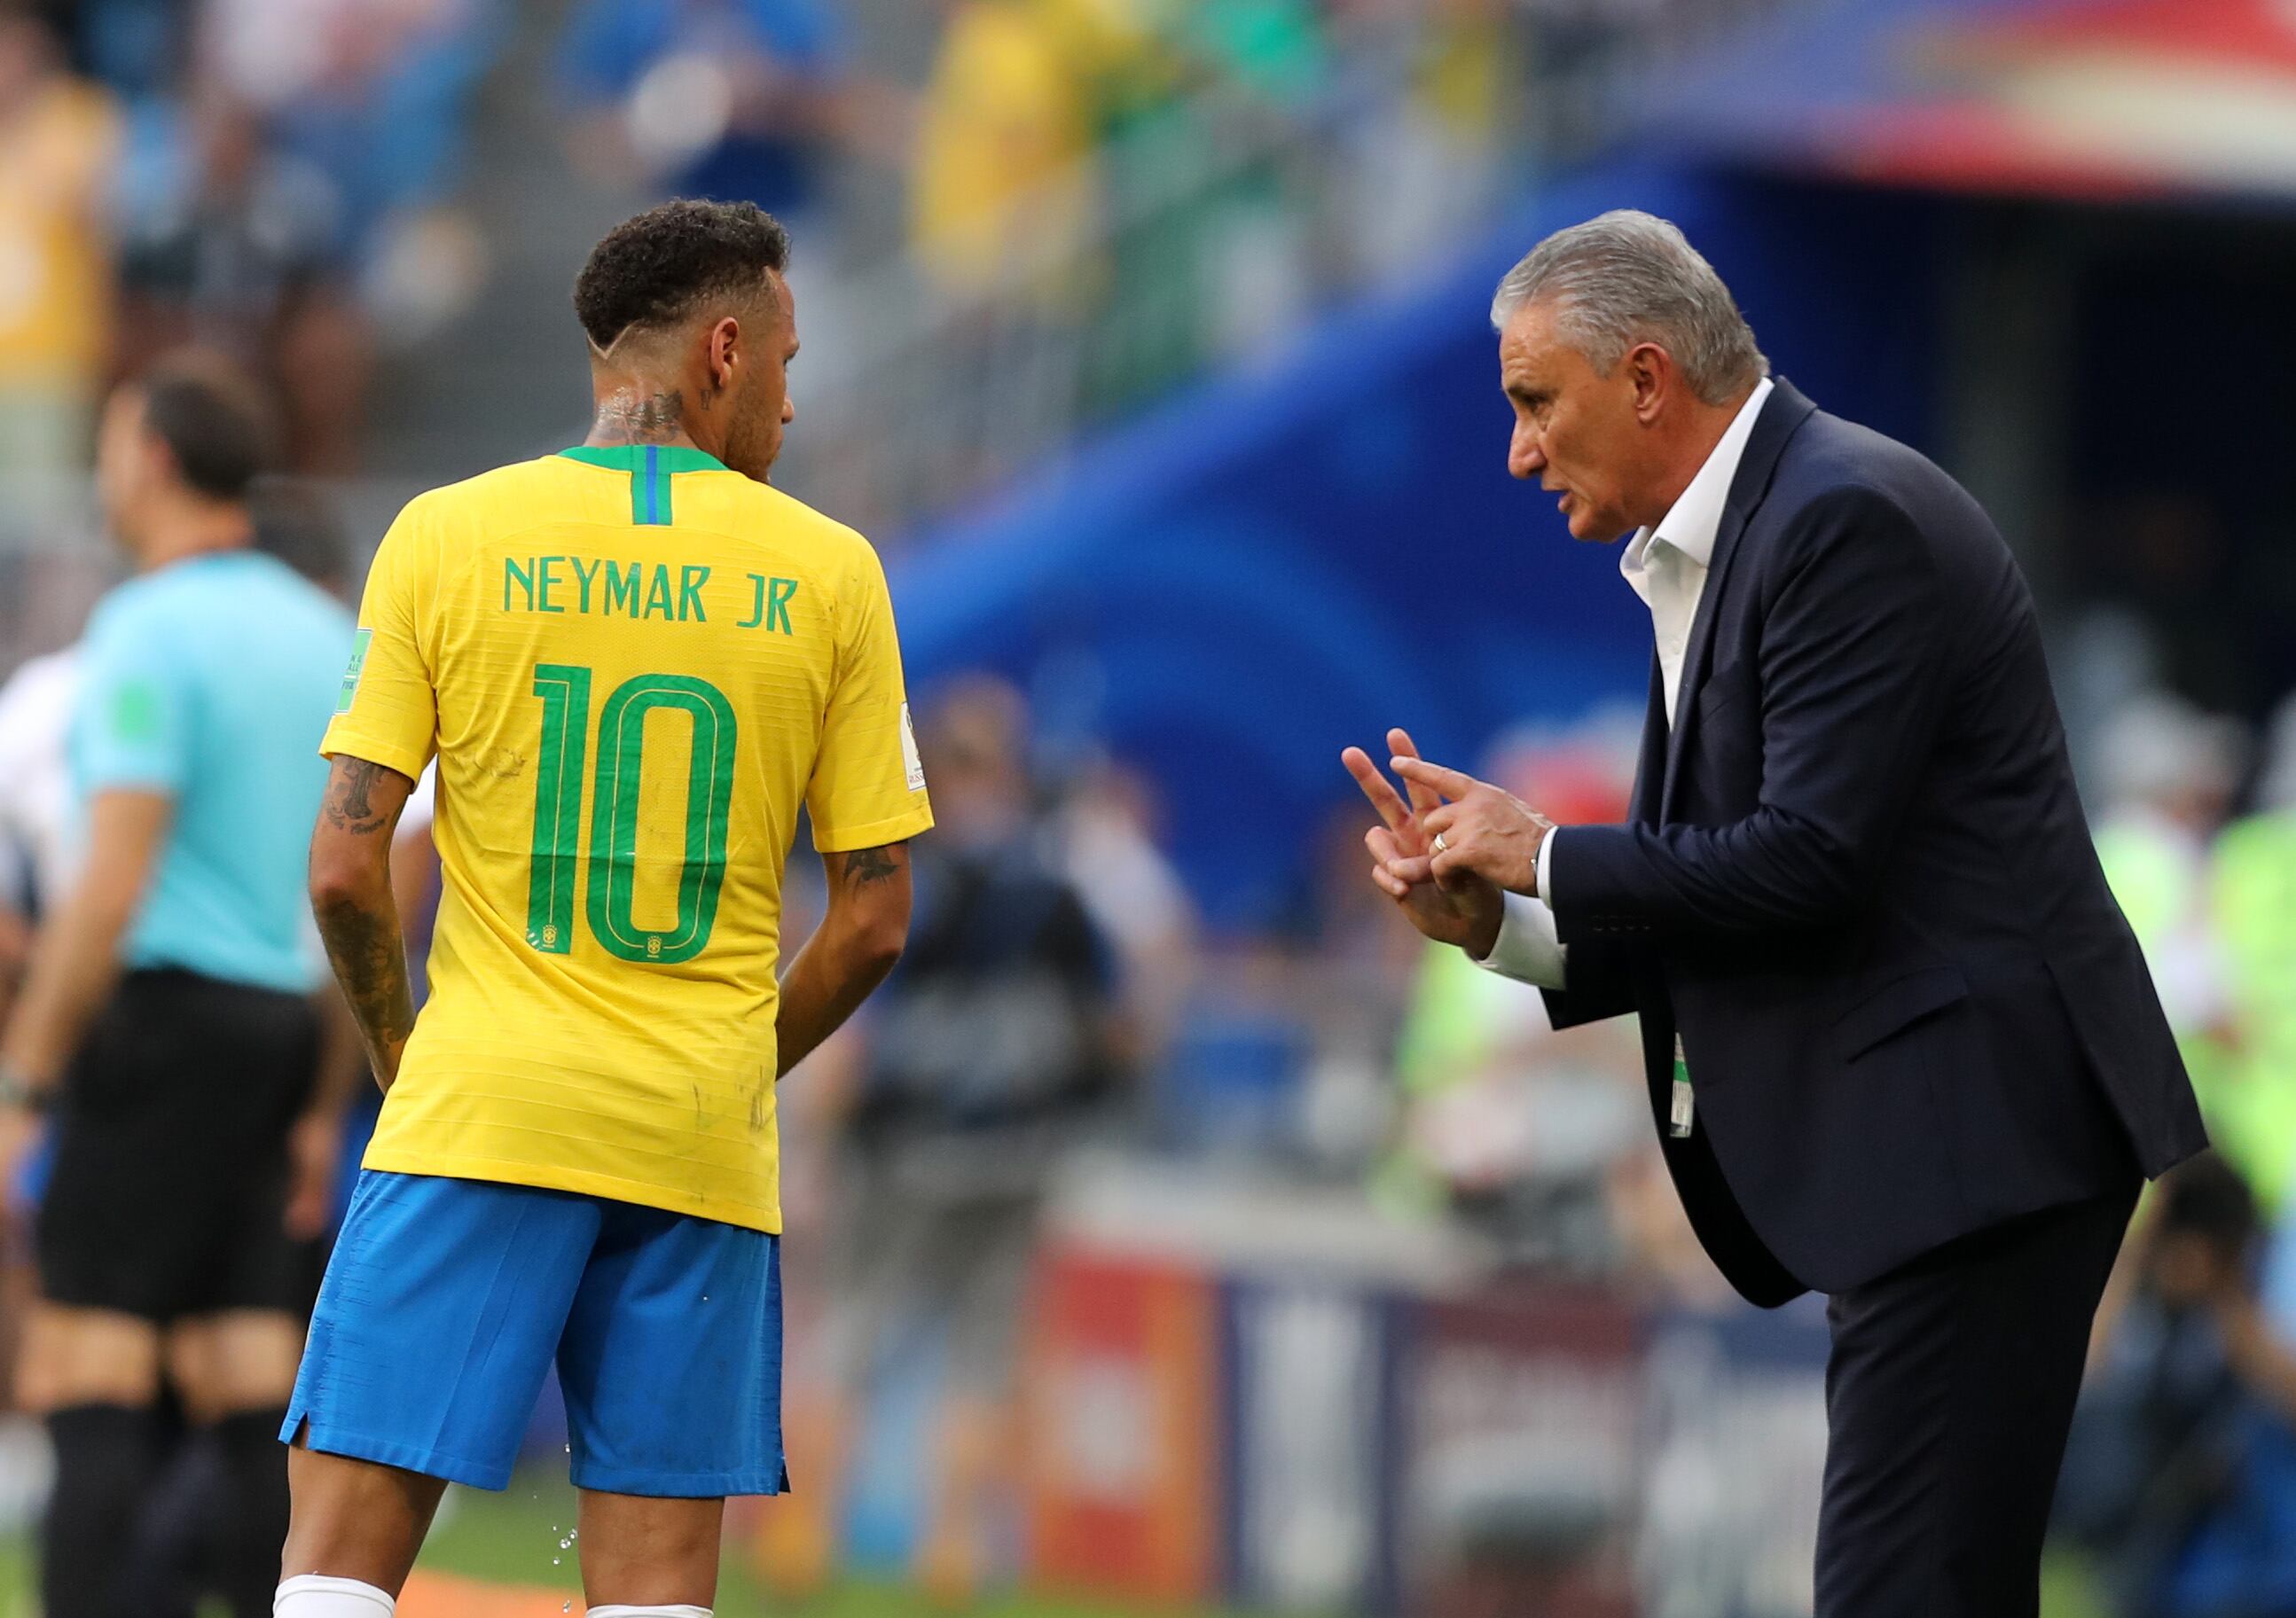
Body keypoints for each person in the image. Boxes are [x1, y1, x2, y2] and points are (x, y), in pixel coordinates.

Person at [1342, 209, 2206, 1617]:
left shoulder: (1836, 516)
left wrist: (1547, 849)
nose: (1515, 450)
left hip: (1976, 1150)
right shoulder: (1748, 531)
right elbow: (1735, 883)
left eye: (1530, 401)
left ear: (1641, 379)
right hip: (1943, 1159)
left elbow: (1807, 863)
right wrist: (1498, 921)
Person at [277, 198, 933, 1616]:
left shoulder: (445, 535)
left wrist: (404, 1052)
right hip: (694, 1138)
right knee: (651, 1596)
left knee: (335, 1565)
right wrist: (728, 1065)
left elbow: (344, 864)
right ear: (719, 350)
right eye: (784, 361)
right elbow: (876, 916)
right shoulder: (832, 573)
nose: (792, 399)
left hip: (483, 1105)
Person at [0, 355, 356, 1618]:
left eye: (107, 446)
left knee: (87, 1361)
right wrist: (323, 1091)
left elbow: (110, 883)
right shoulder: (327, 632)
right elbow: (348, 883)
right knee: (242, 1360)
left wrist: (27, 1073)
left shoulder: (145, 629)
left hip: (157, 1024)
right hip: (280, 1029)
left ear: (151, 459)